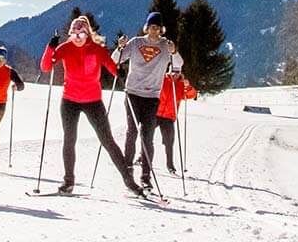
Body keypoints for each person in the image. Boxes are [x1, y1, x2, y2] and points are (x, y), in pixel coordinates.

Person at [40, 15, 143, 197]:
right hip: (69, 101)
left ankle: (129, 181)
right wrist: (51, 47)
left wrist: (117, 71)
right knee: (69, 140)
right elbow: (46, 67)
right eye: (74, 33)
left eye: (81, 33)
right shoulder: (65, 48)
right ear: (70, 34)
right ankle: (68, 182)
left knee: (107, 140)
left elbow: (110, 65)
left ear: (87, 34)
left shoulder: (96, 50)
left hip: (93, 101)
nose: (78, 37)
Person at [114, 13, 184, 191]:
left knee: (147, 137)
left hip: (152, 97)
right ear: (147, 27)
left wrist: (174, 51)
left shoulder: (165, 46)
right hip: (132, 94)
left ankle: (146, 177)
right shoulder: (136, 42)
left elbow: (178, 65)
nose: (155, 30)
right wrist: (119, 47)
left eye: (158, 27)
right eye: (152, 27)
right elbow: (116, 59)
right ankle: (128, 171)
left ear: (162, 29)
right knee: (132, 133)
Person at [156, 67, 197, 174]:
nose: (174, 74)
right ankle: (142, 158)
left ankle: (170, 165)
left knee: (169, 141)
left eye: (177, 72)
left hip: (169, 117)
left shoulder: (181, 84)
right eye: (172, 71)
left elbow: (191, 95)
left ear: (180, 73)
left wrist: (188, 86)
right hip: (155, 113)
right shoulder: (162, 79)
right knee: (147, 136)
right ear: (169, 70)